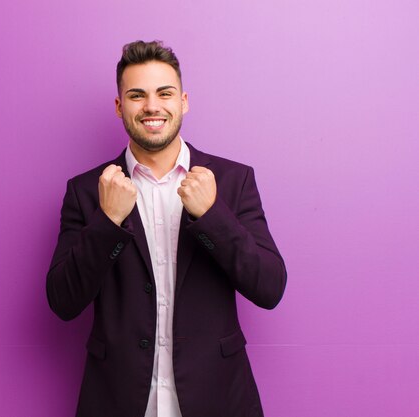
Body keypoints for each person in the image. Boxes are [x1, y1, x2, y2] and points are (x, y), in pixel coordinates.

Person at [46, 40, 287, 417]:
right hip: (116, 400)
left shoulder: (233, 180)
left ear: (183, 100)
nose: (152, 107)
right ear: (119, 105)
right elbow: (62, 301)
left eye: (164, 93)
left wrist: (212, 215)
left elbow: (270, 287)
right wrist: (107, 222)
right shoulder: (87, 190)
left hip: (218, 398)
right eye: (137, 95)